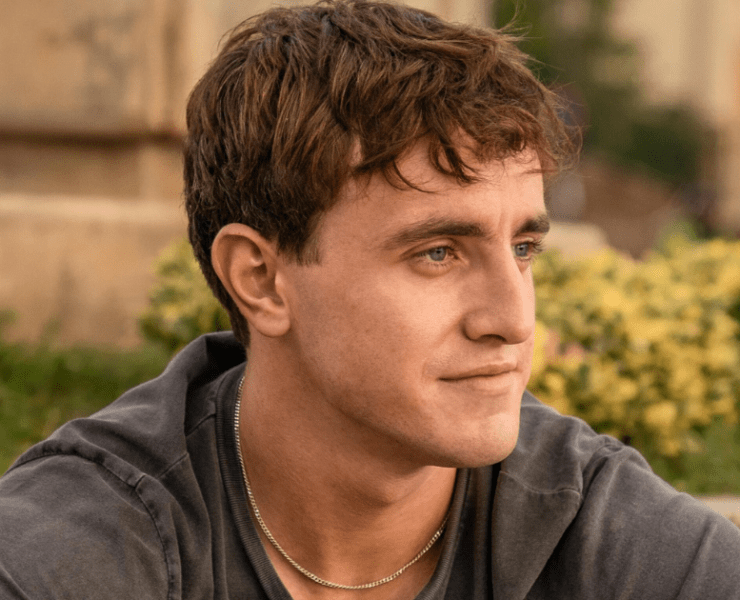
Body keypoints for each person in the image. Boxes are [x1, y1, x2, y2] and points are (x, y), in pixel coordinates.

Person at [1, 1, 739, 598]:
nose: (514, 321)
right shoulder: (73, 552)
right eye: (438, 252)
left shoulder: (598, 532)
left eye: (523, 248)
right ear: (260, 279)